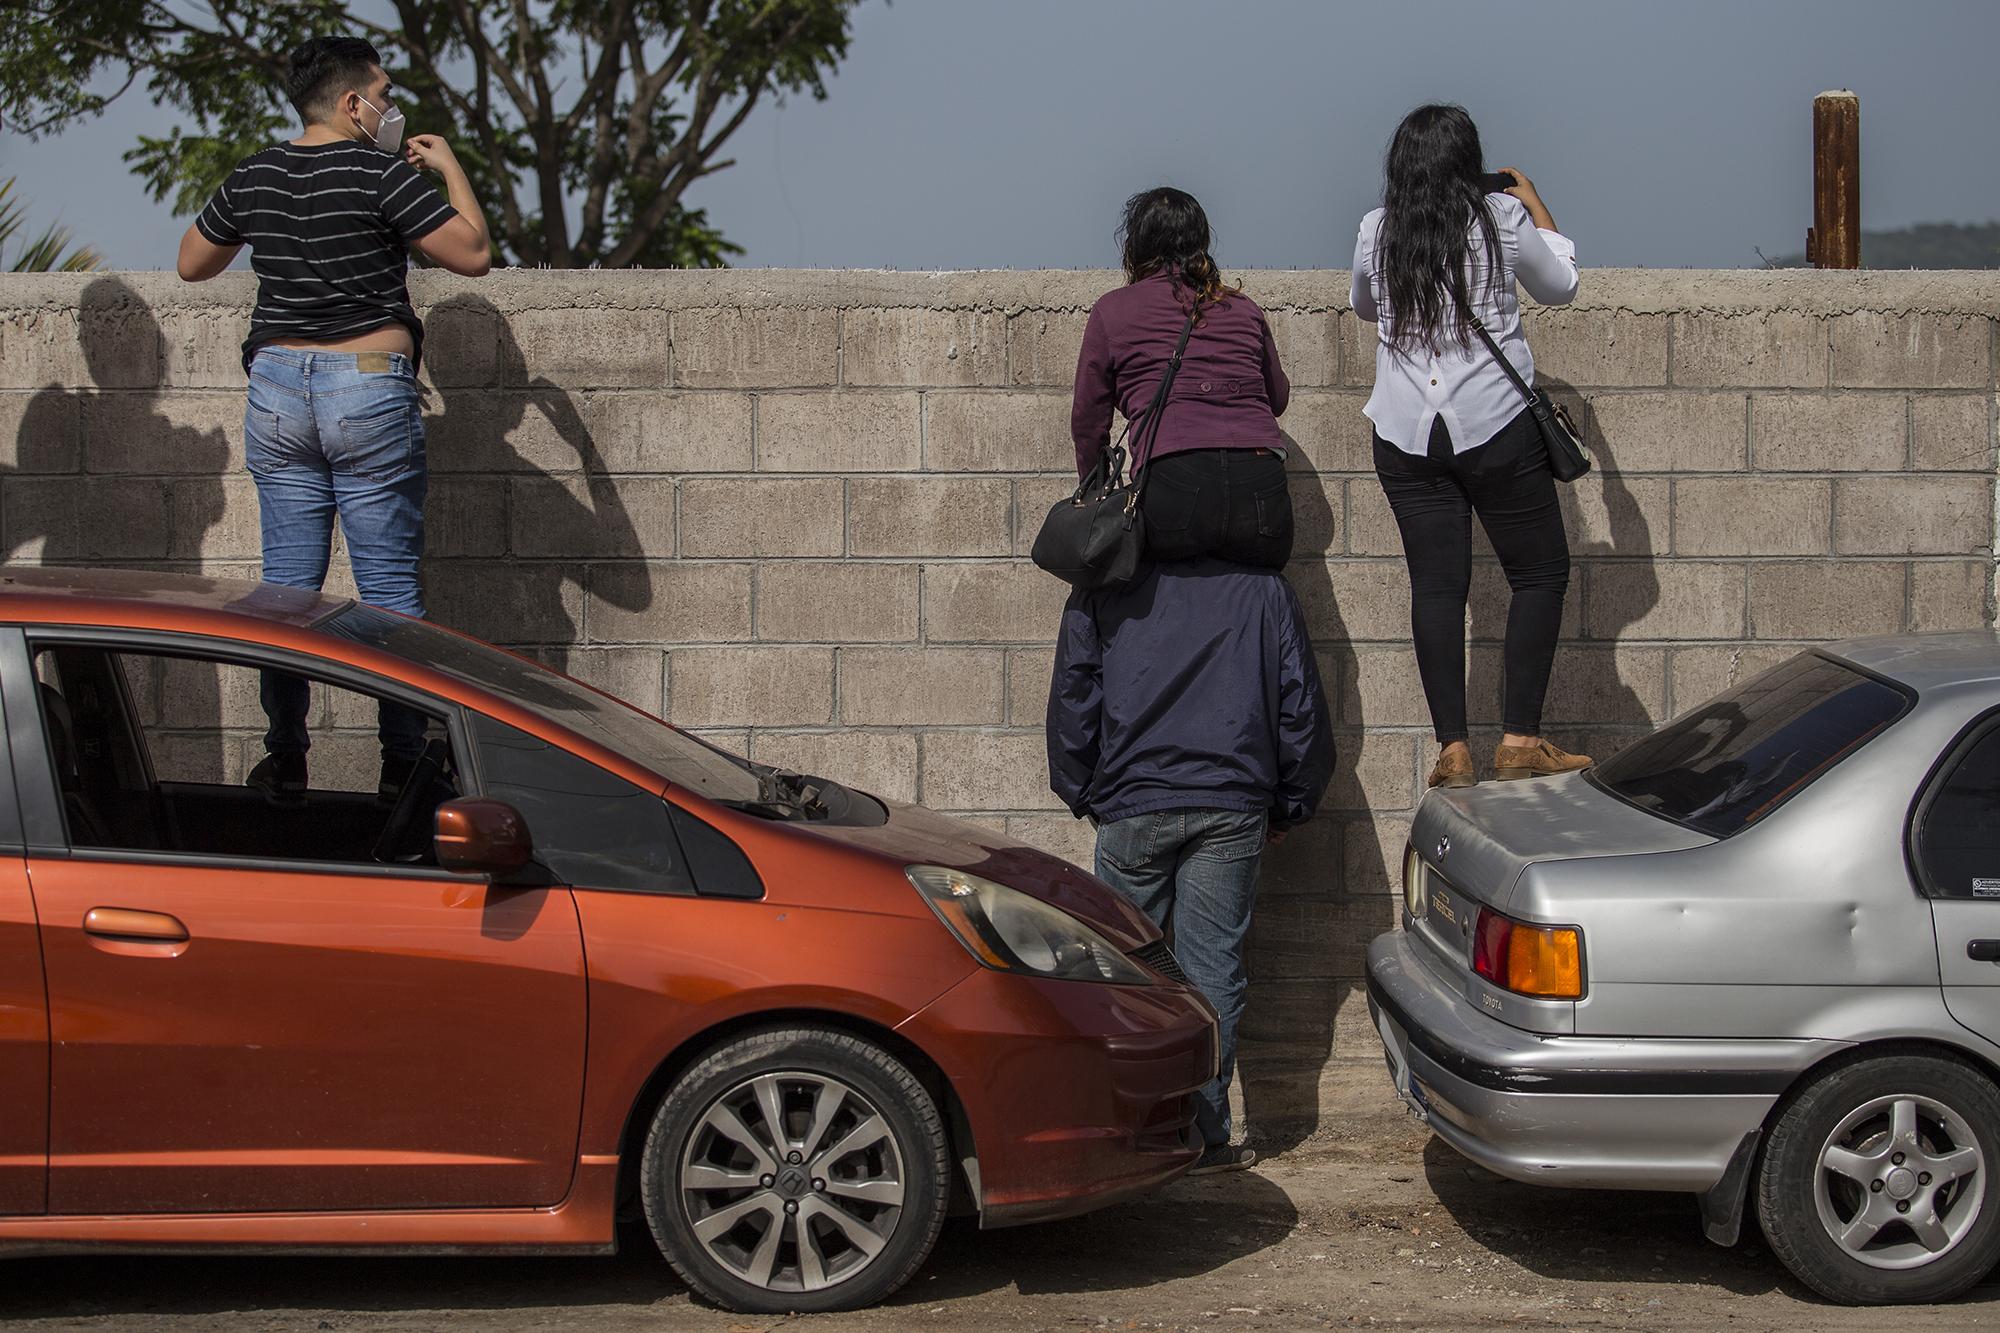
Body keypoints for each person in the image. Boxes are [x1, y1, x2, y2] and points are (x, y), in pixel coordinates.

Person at [176, 35, 493, 804]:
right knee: (386, 591)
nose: (390, 108)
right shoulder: (383, 174)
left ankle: (284, 757)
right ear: (352, 104)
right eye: (383, 94)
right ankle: (403, 765)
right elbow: (474, 252)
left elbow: (192, 261)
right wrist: (447, 163)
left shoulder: (255, 173)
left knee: (287, 592)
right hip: (368, 385)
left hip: (278, 388)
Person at [1048, 560, 1334, 1174]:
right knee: (1213, 969)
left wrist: (1083, 791)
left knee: (1120, 973)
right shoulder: (1264, 588)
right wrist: (1289, 803)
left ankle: (1123, 1132)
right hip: (1231, 800)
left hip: (1133, 802)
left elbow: (1075, 691)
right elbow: (1299, 703)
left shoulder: (1106, 578)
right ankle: (1204, 1136)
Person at [1350, 103, 1587, 791]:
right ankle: (1519, 738)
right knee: (1539, 574)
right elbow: (1562, 286)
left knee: (1437, 587)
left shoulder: (1375, 230)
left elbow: (1367, 307)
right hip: (1494, 427)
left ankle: (1453, 749)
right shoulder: (1502, 220)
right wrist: (1537, 204)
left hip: (1405, 434)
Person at [1071, 187, 1294, 569]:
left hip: (1173, 483)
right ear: (1201, 242)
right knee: (1261, 581)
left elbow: (1088, 423)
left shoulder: (1113, 310)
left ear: (1136, 246)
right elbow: (1278, 399)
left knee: (1122, 589)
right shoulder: (1244, 309)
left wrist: (1095, 496)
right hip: (1261, 488)